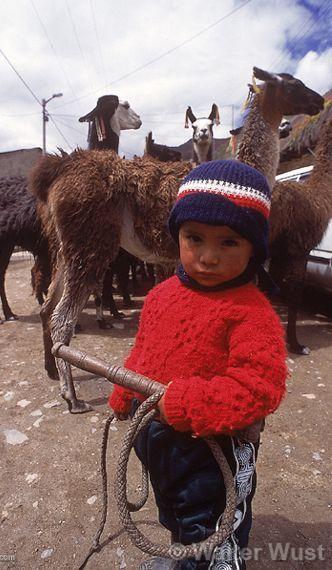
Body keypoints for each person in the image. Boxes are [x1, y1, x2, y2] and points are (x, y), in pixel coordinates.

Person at [109, 160, 288, 570]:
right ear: (178, 236)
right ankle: (182, 555)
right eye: (195, 238)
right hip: (157, 436)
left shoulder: (251, 313)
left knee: (213, 528)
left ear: (254, 249)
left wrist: (190, 404)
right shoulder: (160, 296)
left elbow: (260, 386)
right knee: (175, 510)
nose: (208, 257)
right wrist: (125, 390)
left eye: (229, 243)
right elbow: (144, 352)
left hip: (216, 448)